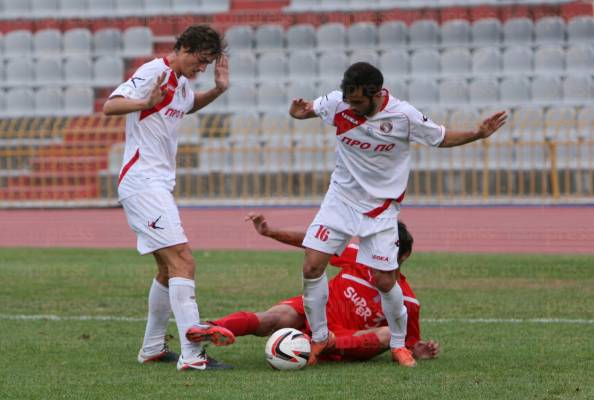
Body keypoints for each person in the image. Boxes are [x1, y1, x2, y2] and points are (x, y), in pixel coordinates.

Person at [289, 62, 507, 367]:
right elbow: (308, 109)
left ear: (376, 93)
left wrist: (478, 133)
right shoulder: (338, 102)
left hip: (380, 209)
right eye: (348, 99)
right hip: (340, 201)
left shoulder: (404, 115)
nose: (351, 105)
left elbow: (440, 137)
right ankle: (320, 338)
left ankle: (398, 345)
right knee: (312, 267)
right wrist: (298, 112)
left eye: (358, 101)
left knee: (385, 280)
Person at [103, 25, 236, 371]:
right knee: (184, 261)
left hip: (157, 183)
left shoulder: (182, 83)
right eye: (202, 61)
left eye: (209, 64)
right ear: (186, 48)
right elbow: (111, 105)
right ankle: (193, 357)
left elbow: (187, 106)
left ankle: (152, 349)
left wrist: (219, 90)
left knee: (167, 269)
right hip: (142, 181)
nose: (203, 68)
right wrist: (144, 101)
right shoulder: (154, 71)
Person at [208, 213, 439, 362]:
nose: (376, 261)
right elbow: (315, 243)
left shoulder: (409, 302)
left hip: (342, 338)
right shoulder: (358, 256)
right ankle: (212, 328)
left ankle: (324, 344)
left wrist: (417, 351)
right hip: (316, 312)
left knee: (389, 334)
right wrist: (270, 232)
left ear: (404, 255)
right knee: (277, 317)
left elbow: (405, 344)